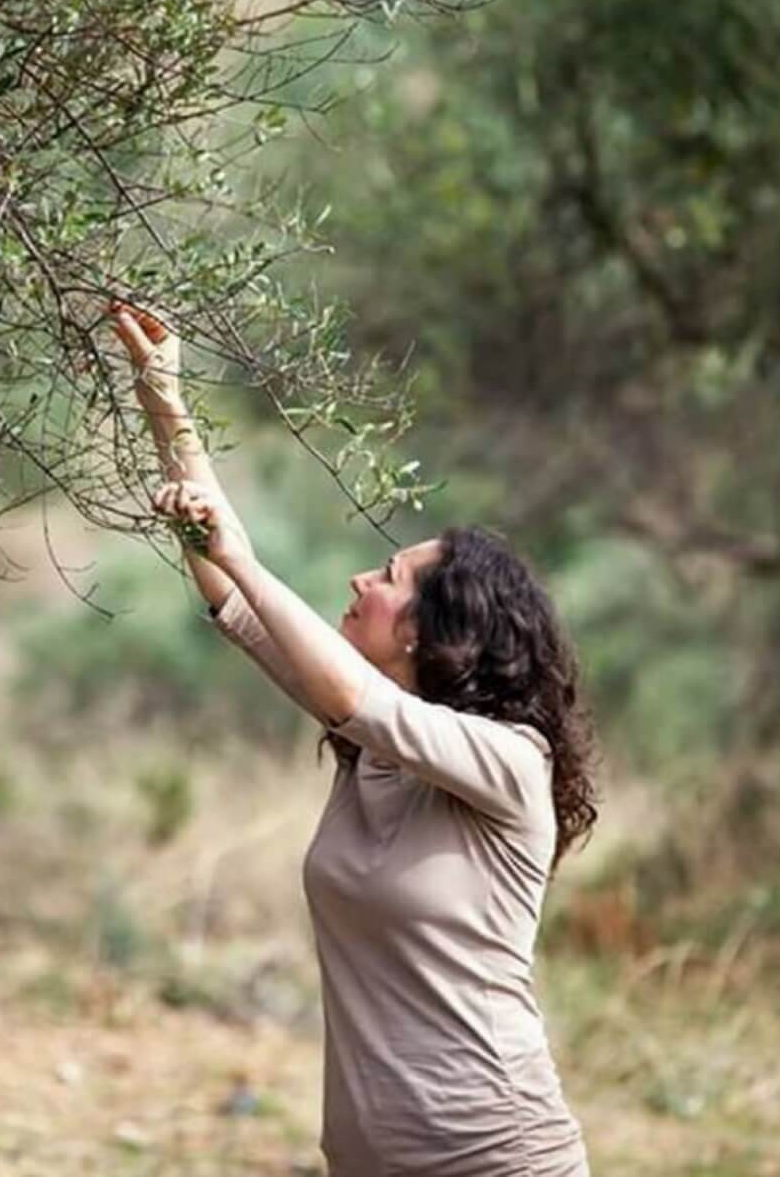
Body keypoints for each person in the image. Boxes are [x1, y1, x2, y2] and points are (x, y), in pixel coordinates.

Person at [108, 303, 598, 1177]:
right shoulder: (374, 752)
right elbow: (231, 598)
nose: (358, 578)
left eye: (388, 577)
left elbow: (329, 669)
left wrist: (249, 562)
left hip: (498, 1159)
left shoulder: (510, 760)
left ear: (431, 630)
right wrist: (165, 402)